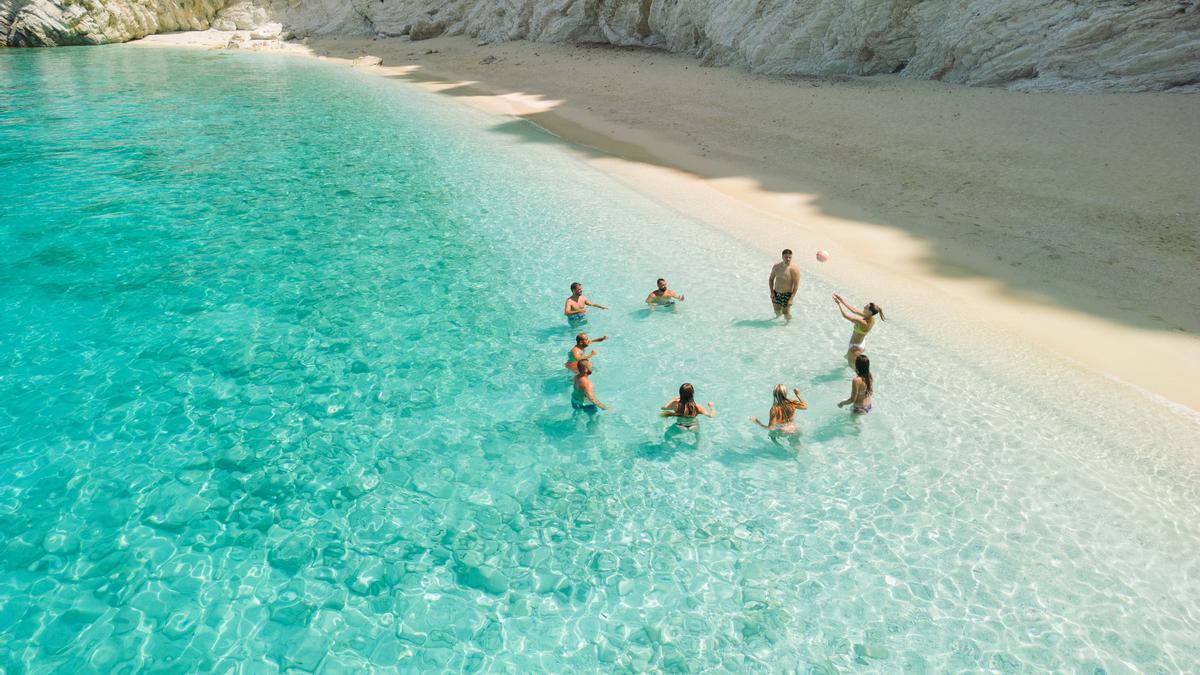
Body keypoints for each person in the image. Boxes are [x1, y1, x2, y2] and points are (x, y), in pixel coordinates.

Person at [833, 293, 885, 367]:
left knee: (853, 367)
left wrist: (839, 304)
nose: (864, 307)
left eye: (865, 308)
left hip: (855, 347)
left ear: (870, 312)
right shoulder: (870, 317)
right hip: (860, 343)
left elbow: (845, 316)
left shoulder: (863, 323)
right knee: (847, 361)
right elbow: (854, 311)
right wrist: (842, 301)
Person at [768, 249, 800, 322]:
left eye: (790, 257)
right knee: (777, 310)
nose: (788, 259)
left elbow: (796, 285)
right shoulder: (776, 267)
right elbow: (771, 279)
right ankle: (776, 320)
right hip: (776, 293)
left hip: (787, 295)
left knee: (786, 313)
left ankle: (788, 324)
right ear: (782, 257)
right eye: (786, 257)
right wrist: (772, 292)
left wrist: (791, 298)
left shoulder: (794, 270)